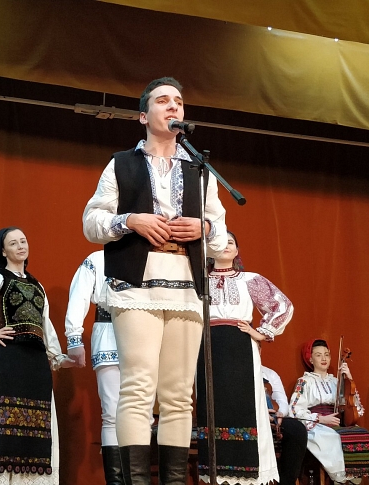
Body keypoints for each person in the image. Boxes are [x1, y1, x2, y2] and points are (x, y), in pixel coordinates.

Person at [82, 76, 227, 485]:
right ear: (143, 116)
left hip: (186, 285)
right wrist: (131, 220)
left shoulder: (199, 168)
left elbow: (219, 232)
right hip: (136, 285)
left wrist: (203, 229)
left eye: (178, 101)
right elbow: (91, 222)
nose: (173, 106)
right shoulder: (121, 164)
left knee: (179, 395)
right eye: (163, 101)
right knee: (138, 388)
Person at [0, 227, 75, 485]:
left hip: (35, 363)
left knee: (35, 427)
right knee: (0, 421)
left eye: (23, 241)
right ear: (2, 251)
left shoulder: (37, 285)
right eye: (13, 243)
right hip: (8, 357)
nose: (21, 246)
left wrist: (58, 357)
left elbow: (44, 324)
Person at [195, 231, 294, 485]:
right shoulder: (198, 279)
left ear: (237, 251)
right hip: (206, 347)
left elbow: (283, 305)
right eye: (221, 242)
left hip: (240, 348)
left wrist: (262, 332)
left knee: (245, 405)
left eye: (231, 242)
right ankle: (215, 473)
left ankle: (247, 472)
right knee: (211, 407)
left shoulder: (249, 279)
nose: (226, 245)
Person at [64, 250, 123, 485]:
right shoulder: (97, 259)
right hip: (109, 333)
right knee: (112, 413)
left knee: (143, 414)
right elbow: (79, 296)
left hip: (146, 337)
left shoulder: (150, 253)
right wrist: (74, 338)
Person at [289, 339, 365, 483]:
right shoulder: (305, 381)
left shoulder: (336, 382)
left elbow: (357, 409)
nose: (324, 358)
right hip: (317, 425)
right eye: (318, 355)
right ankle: (341, 477)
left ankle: (358, 473)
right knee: (331, 437)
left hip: (336, 422)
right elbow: (294, 410)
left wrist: (349, 379)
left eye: (327, 354)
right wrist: (321, 419)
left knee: (361, 433)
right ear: (311, 359)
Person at [261, 365, 308, 485]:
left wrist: (279, 414)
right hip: (249, 418)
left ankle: (287, 482)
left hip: (272, 416)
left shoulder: (270, 374)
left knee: (296, 429)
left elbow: (282, 401)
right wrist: (260, 413)